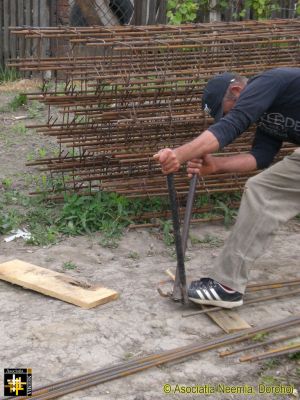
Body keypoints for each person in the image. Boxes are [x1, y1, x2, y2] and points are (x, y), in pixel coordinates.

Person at [153, 67, 300, 309]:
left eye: (227, 110)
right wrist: (216, 166)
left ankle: (227, 286)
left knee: (264, 191)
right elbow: (261, 156)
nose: (229, 116)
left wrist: (178, 154)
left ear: (236, 90)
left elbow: (232, 126)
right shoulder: (268, 113)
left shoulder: (266, 82)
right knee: (264, 184)